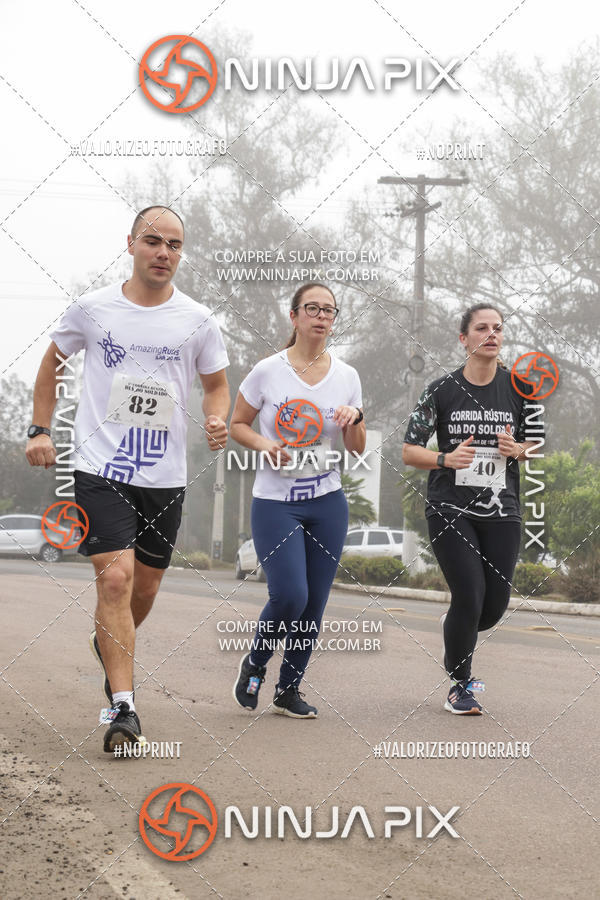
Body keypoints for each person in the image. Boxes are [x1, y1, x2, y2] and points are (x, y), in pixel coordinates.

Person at [25, 206, 230, 751]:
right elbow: (52, 364)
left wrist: (216, 417)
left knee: (146, 586)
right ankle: (123, 706)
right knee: (114, 580)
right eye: (153, 241)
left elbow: (215, 385)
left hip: (164, 473)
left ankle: (110, 641)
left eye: (175, 245)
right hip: (101, 465)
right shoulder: (93, 309)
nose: (164, 252)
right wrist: (40, 428)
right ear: (132, 244)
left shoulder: (198, 320)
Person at [230, 282, 366, 718]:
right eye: (313, 308)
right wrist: (264, 445)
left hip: (327, 502)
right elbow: (238, 424)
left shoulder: (346, 376)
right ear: (294, 316)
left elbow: (356, 448)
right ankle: (255, 663)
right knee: (290, 595)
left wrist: (355, 418)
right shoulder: (268, 371)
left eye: (329, 310)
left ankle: (288, 691)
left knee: (313, 604)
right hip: (276, 502)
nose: (322, 316)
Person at [402, 303, 539, 715]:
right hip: (450, 507)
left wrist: (518, 450)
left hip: (501, 509)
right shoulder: (441, 390)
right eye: (482, 328)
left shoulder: (522, 389)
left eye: (498, 328)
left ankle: (456, 627)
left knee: (491, 609)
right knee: (469, 594)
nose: (491, 334)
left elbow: (535, 444)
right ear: (464, 339)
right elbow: (409, 451)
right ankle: (460, 686)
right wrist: (445, 459)